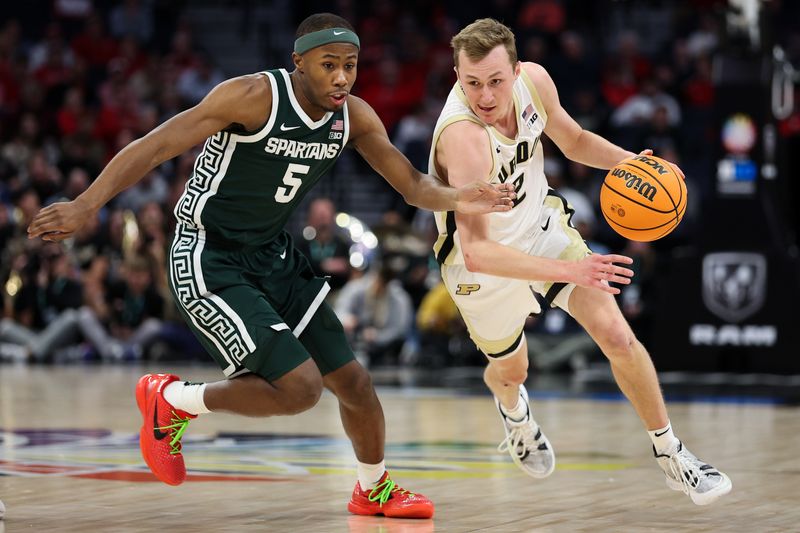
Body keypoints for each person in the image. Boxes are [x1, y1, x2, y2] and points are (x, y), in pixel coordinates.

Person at [27, 13, 516, 519]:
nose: (342, 77)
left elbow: (413, 186)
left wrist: (463, 196)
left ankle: (373, 488)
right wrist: (87, 205)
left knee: (356, 384)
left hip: (274, 256)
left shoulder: (354, 117)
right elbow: (156, 146)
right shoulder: (253, 96)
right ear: (299, 63)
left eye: (350, 65)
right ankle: (173, 400)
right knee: (300, 388)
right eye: (329, 65)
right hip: (208, 254)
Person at [429, 18, 730, 505]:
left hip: (540, 228)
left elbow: (572, 140)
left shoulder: (535, 82)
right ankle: (516, 415)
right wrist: (571, 271)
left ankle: (672, 454)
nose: (485, 96)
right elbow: (479, 252)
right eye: (472, 83)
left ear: (517, 69)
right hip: (480, 267)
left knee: (616, 334)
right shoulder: (462, 139)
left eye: (495, 81)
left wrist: (631, 163)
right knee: (512, 372)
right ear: (457, 75)